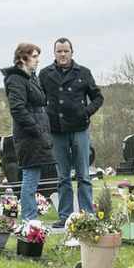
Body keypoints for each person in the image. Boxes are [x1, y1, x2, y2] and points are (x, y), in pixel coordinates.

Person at [38, 38, 104, 228]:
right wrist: (45, 117)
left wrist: (87, 112)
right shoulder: (45, 74)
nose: (63, 54)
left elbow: (98, 97)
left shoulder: (83, 73)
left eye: (66, 51)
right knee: (63, 176)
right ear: (55, 53)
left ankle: (87, 215)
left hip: (79, 130)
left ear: (72, 52)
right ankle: (65, 215)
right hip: (57, 132)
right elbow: (38, 99)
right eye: (59, 51)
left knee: (83, 175)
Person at [1, 44, 54, 222]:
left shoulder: (31, 78)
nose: (38, 60)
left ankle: (29, 219)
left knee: (33, 178)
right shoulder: (16, 79)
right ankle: (29, 221)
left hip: (37, 136)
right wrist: (36, 129)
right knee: (30, 180)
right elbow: (17, 109)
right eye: (34, 56)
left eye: (38, 56)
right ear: (23, 58)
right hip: (29, 137)